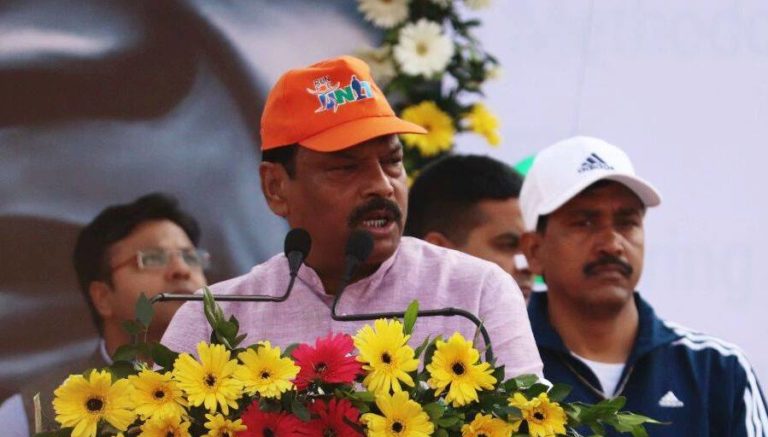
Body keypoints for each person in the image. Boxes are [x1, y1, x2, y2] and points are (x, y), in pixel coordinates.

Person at [162, 56, 543, 379]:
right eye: (346, 168)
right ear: (275, 187)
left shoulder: (476, 292)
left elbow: (531, 422)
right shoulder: (212, 318)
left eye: (392, 161)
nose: (382, 186)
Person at [520, 136, 768, 435]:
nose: (612, 244)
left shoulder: (718, 369)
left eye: (627, 222)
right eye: (584, 222)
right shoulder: (498, 367)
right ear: (534, 251)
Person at [0, 193, 209, 434]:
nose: (182, 269)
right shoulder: (29, 415)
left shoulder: (240, 384)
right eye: (153, 258)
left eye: (191, 257)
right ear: (102, 297)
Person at [405, 154, 535, 300]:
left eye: (531, 249)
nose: (529, 267)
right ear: (436, 252)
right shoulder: (387, 314)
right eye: (508, 245)